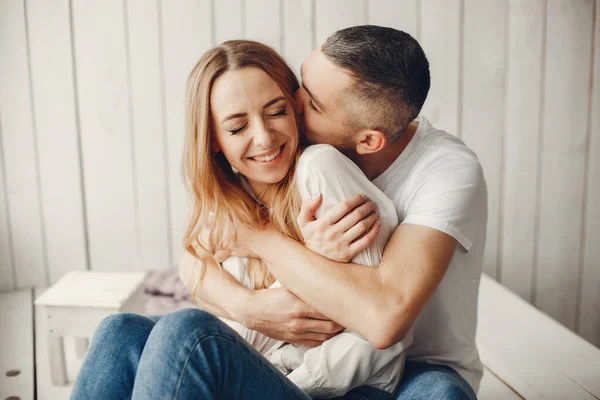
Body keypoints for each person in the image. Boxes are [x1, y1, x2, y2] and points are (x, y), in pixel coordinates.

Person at [70, 39, 410, 400]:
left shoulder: (319, 170)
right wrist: (251, 306)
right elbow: (219, 301)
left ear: (295, 109)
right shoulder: (231, 202)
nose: (264, 138)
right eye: (236, 128)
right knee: (118, 330)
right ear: (214, 140)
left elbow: (375, 332)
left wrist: (270, 376)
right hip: (264, 373)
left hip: (337, 390)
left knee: (189, 330)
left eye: (276, 111)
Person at [181, 25, 487, 400]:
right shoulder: (284, 146)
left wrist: (262, 241)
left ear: (368, 140)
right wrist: (247, 307)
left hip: (417, 367)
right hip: (297, 358)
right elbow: (195, 255)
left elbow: (385, 317)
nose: (291, 102)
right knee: (139, 332)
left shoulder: (443, 171)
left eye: (310, 103)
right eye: (302, 83)